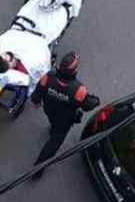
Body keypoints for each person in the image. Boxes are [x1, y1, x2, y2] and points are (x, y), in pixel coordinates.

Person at [30, 51, 100, 180]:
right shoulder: (78, 90)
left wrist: (35, 101)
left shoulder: (48, 77)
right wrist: (96, 100)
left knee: (53, 124)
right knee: (54, 142)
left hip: (49, 111)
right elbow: (87, 105)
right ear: (74, 71)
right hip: (65, 120)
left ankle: (53, 129)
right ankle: (37, 169)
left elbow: (36, 95)